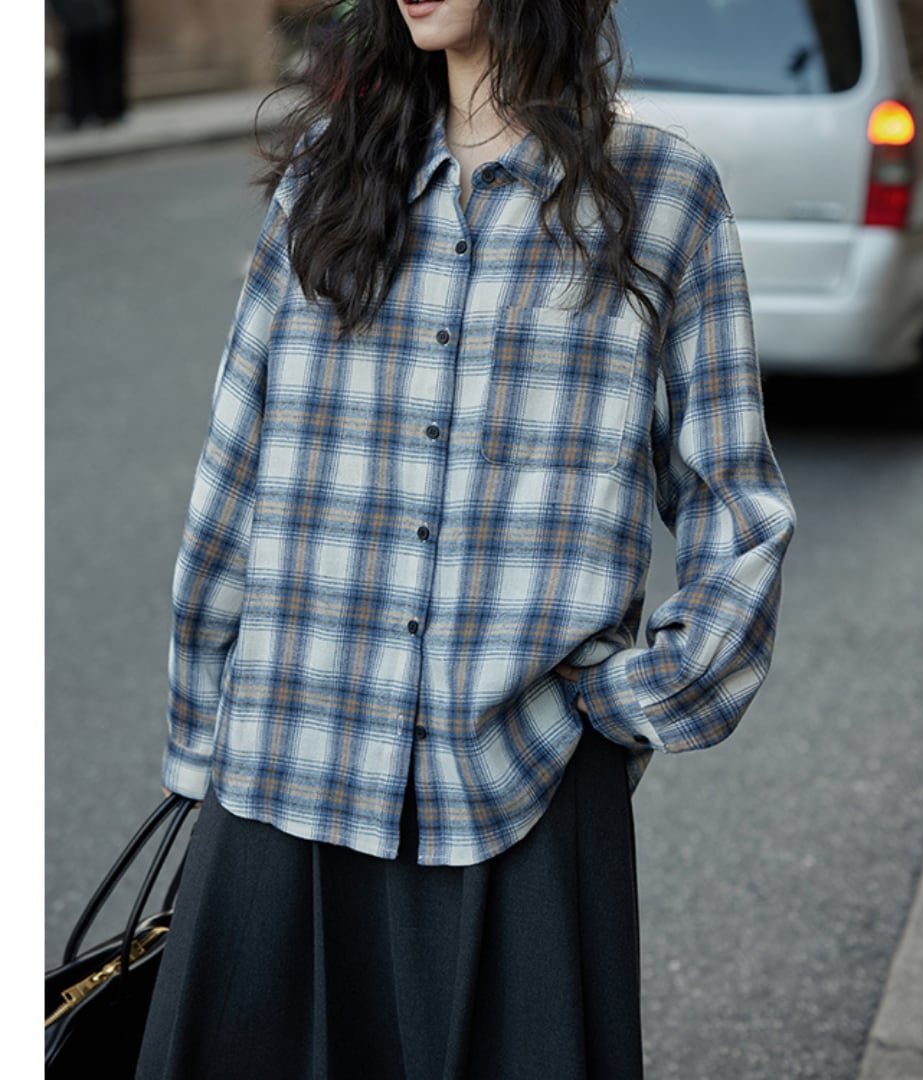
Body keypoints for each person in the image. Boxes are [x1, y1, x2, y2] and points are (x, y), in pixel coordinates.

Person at [135, 0, 796, 1076]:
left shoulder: (662, 196)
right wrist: (199, 745)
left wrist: (638, 700)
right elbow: (234, 474)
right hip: (284, 782)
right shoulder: (327, 181)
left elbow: (739, 505)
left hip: (520, 798)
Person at [48, 0, 127, 128]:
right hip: (83, 22)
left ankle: (98, 112)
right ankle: (91, 112)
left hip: (89, 22)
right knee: (83, 69)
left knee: (93, 68)